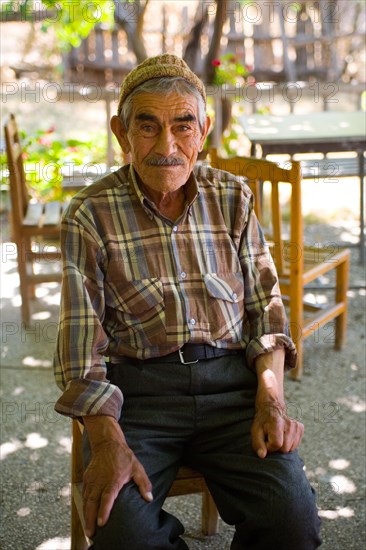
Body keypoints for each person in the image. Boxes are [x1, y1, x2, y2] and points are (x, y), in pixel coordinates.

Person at [54, 54, 322, 549]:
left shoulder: (233, 197)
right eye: (148, 127)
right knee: (122, 532)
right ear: (121, 132)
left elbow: (266, 308)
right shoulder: (89, 214)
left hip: (232, 391)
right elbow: (79, 345)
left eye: (183, 126)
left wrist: (272, 400)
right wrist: (107, 440)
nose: (167, 146)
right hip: (138, 397)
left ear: (204, 128)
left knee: (292, 518)